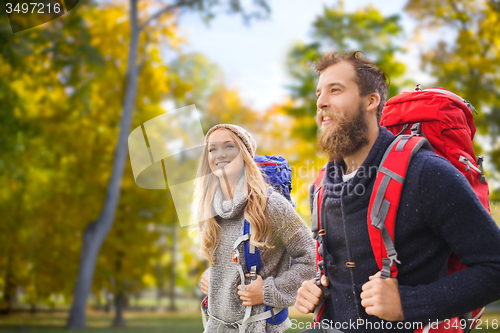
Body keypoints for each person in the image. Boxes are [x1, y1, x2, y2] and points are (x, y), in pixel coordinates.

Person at [294, 51, 500, 332]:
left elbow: (495, 267)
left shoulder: (426, 173)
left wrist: (408, 303)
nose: (321, 102)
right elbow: (344, 273)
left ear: (371, 101)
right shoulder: (320, 188)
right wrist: (315, 287)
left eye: (335, 90)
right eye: (319, 93)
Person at [194, 123, 316, 333]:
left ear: (245, 155)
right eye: (212, 149)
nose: (219, 154)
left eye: (228, 146)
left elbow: (312, 258)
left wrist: (269, 291)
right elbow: (230, 262)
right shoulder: (212, 208)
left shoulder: (270, 205)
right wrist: (211, 277)